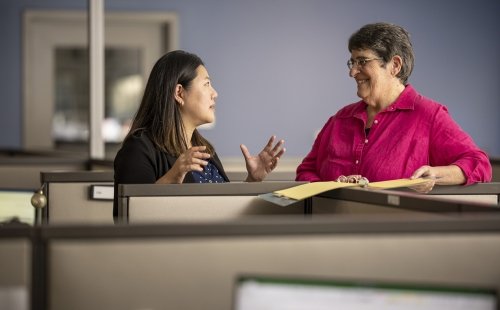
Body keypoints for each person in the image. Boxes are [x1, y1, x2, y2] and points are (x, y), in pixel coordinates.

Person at [296, 22, 491, 191]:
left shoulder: (429, 115)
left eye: (362, 61)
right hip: (331, 231)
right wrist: (330, 187)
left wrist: (435, 174)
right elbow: (306, 171)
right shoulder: (340, 119)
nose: (353, 72)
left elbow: (479, 164)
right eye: (352, 62)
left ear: (395, 65)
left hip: (395, 231)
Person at [114, 50, 285, 217]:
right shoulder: (138, 149)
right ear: (179, 93)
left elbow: (221, 210)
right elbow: (130, 216)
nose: (215, 93)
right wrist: (171, 178)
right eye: (207, 84)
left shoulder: (205, 150)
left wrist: (252, 181)